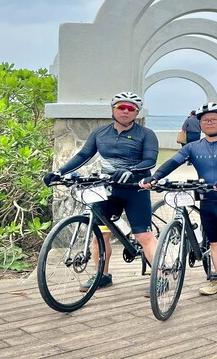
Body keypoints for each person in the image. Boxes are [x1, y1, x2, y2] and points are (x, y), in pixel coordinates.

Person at [42, 91, 159, 297]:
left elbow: (150, 160)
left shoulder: (146, 134)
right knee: (100, 235)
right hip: (107, 191)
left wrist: (132, 170)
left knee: (144, 236)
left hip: (135, 190)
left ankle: (161, 278)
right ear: (113, 109)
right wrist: (59, 172)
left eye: (131, 109)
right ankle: (102, 275)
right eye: (121, 107)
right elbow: (83, 155)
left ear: (136, 113)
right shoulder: (100, 133)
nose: (125, 111)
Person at [141, 102, 217, 304]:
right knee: (215, 243)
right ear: (199, 123)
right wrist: (155, 176)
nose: (209, 123)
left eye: (214, 119)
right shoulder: (193, 147)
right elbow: (173, 162)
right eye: (205, 120)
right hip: (208, 199)